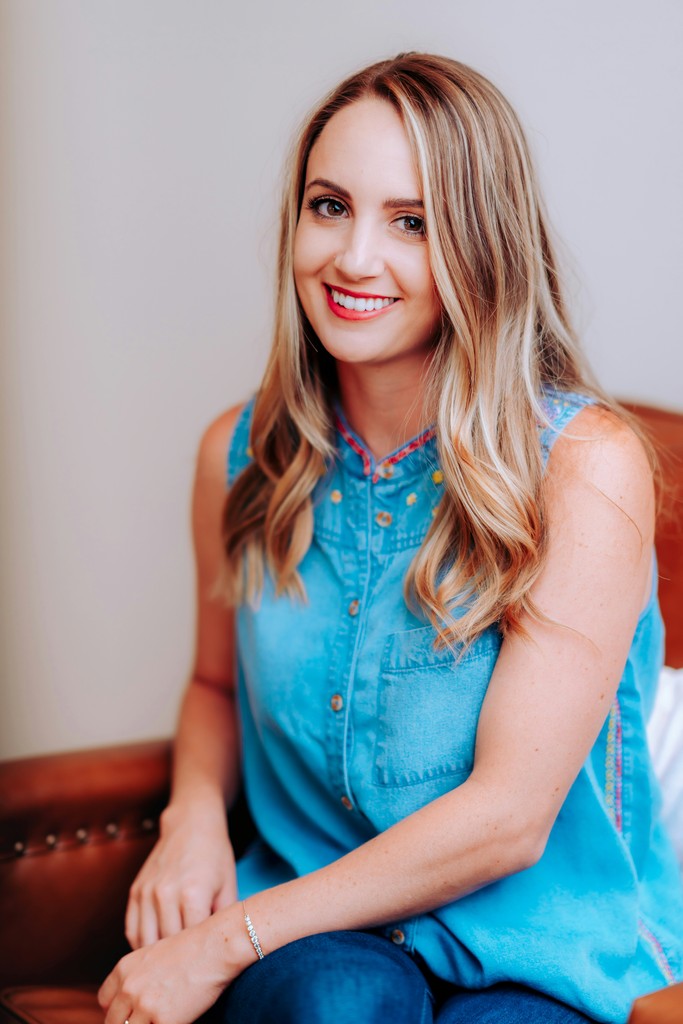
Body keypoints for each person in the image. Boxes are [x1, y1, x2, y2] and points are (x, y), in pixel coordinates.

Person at [98, 53, 683, 1024]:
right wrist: (190, 818)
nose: (354, 258)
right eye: (329, 207)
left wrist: (222, 941)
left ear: (482, 243)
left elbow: (507, 817)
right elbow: (213, 687)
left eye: (411, 222)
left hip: (535, 941)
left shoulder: (585, 466)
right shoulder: (238, 457)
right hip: (313, 924)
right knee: (335, 999)